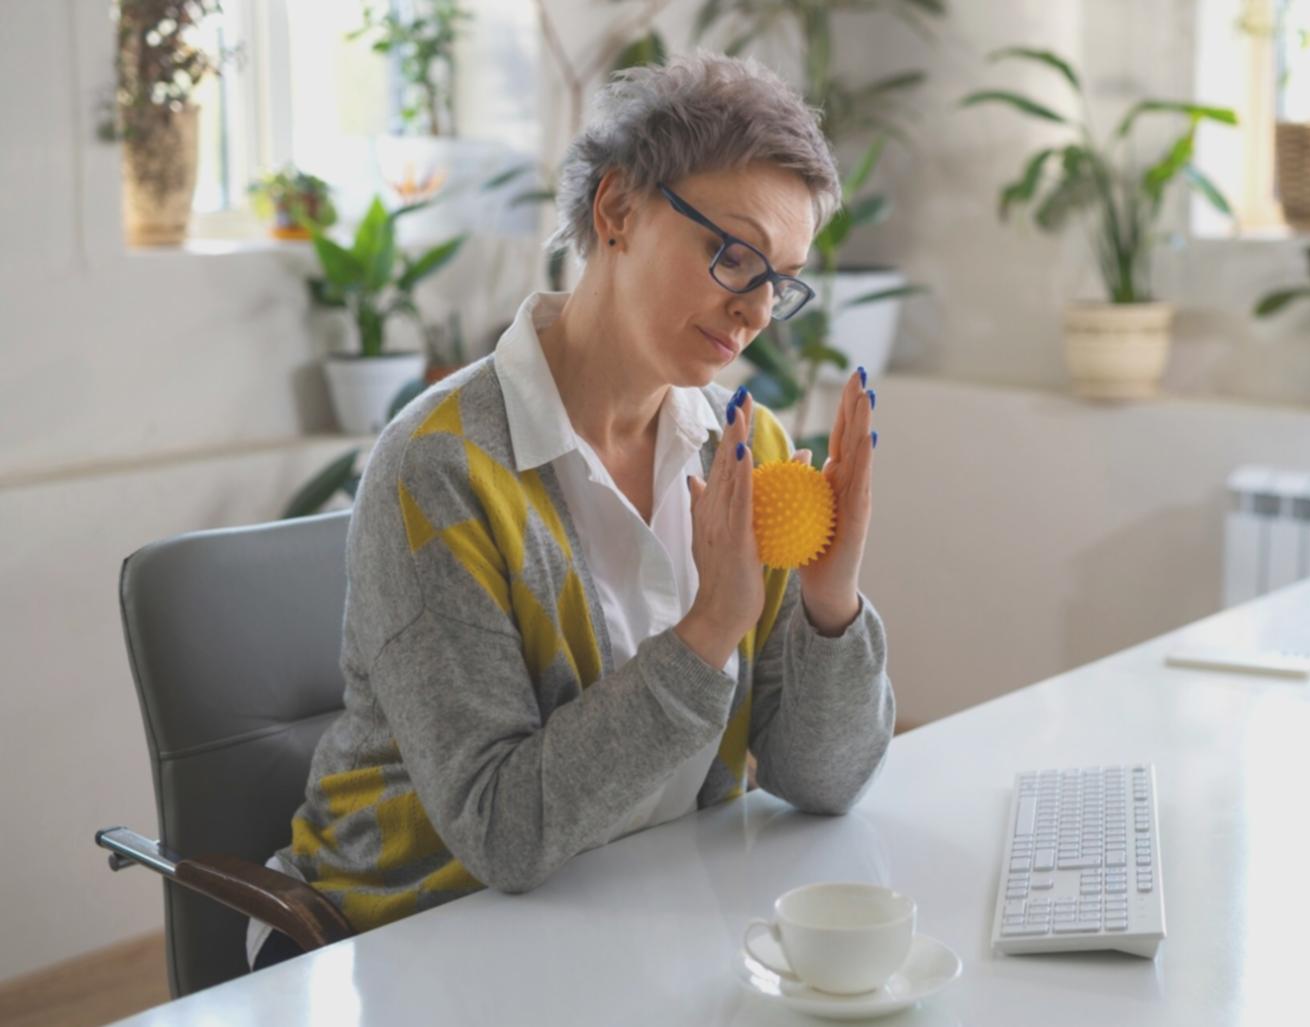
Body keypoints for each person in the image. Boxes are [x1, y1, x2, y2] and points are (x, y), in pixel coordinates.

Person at [247, 51, 894, 970]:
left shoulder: (745, 453)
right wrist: (712, 627)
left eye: (779, 279)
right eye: (733, 254)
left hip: (640, 914)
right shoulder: (440, 469)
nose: (753, 312)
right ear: (618, 209)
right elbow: (501, 830)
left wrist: (831, 605)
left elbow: (822, 780)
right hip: (405, 938)